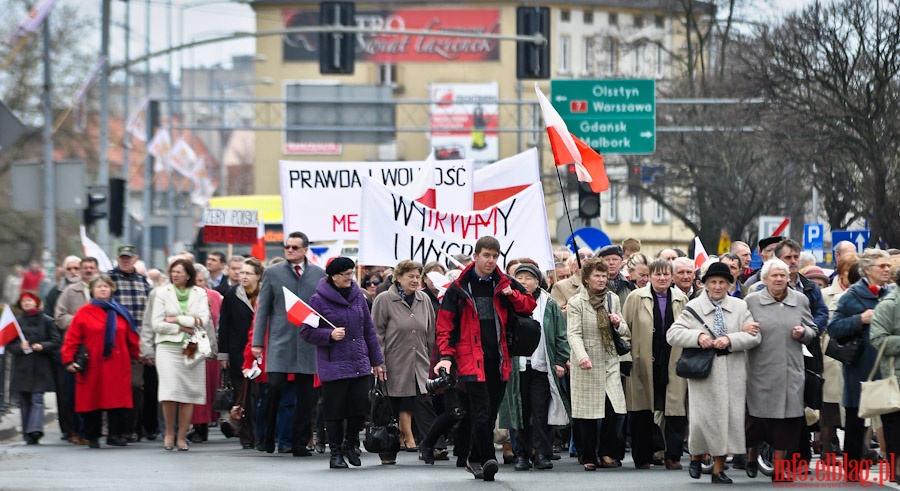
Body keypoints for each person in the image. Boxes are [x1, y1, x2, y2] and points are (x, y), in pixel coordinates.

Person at [434, 236, 537, 482]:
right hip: (470, 358)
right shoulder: (458, 288)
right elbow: (444, 326)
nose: (491, 261)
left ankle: (473, 457)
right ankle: (488, 459)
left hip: (500, 358)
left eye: (494, 256)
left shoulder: (505, 283)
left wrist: (511, 294)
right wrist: (446, 357)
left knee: (489, 413)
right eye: (486, 256)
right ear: (476, 257)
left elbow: (528, 306)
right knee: (481, 411)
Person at [666, 262, 762, 484]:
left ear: (729, 284)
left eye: (722, 282)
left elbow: (755, 336)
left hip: (733, 372)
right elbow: (673, 334)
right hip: (704, 374)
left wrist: (731, 339)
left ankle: (719, 469)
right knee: (701, 421)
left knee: (727, 421)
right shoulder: (693, 307)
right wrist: (698, 337)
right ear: (705, 284)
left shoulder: (740, 307)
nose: (718, 286)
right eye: (713, 282)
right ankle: (696, 457)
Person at [299, 257, 385, 469]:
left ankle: (349, 445)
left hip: (359, 361)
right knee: (335, 412)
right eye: (346, 274)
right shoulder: (317, 300)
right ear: (333, 276)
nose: (350, 277)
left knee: (359, 410)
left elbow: (369, 331)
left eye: (351, 273)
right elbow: (306, 331)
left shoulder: (358, 297)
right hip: (334, 364)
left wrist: (377, 361)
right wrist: (329, 334)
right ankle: (335, 453)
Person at [252, 232, 326, 456]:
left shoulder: (319, 274)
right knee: (274, 389)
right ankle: (266, 438)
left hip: (307, 344)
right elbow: (263, 309)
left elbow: (322, 309)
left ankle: (299, 443)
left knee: (307, 399)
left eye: (295, 247)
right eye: (287, 247)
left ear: (305, 250)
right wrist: (258, 343)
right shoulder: (272, 273)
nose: (290, 250)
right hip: (280, 343)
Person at [745, 259, 818, 481]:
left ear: (788, 278)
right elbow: (739, 326)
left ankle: (778, 469)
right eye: (774, 276)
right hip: (760, 371)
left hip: (790, 371)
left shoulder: (800, 300)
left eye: (782, 275)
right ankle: (751, 456)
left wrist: (803, 332)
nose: (778, 279)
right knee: (757, 422)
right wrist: (746, 328)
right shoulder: (751, 301)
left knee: (786, 425)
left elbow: (813, 329)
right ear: (764, 279)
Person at [827, 249, 893, 478]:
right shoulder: (851, 296)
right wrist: (859, 320)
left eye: (888, 266)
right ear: (867, 270)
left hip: (890, 368)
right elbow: (833, 329)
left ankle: (895, 469)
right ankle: (852, 470)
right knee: (856, 421)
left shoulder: (894, 294)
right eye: (881, 266)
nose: (887, 270)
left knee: (893, 423)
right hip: (861, 368)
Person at [497, 263, 569, 471]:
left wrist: (560, 361)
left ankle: (542, 454)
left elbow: (560, 335)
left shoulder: (549, 303)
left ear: (537, 281)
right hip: (516, 367)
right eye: (519, 278)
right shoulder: (508, 302)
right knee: (519, 411)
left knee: (540, 411)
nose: (524, 281)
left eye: (528, 278)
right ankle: (522, 454)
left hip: (541, 366)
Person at [370, 260, 441, 465]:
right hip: (393, 361)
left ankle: (433, 446)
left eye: (418, 276)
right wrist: (379, 362)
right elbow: (377, 333)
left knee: (424, 402)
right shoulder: (384, 299)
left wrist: (430, 359)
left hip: (419, 360)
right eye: (410, 276)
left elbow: (430, 331)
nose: (415, 280)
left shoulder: (423, 299)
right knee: (390, 408)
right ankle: (387, 450)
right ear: (398, 278)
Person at [621, 258, 689, 470]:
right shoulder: (635, 297)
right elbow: (625, 331)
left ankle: (673, 456)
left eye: (666, 274)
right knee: (642, 412)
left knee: (675, 412)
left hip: (673, 362)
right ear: (649, 276)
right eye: (657, 274)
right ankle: (642, 457)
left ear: (672, 277)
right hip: (643, 363)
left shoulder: (681, 298)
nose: (662, 278)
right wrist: (627, 359)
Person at [61, 274, 141, 448]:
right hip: (93, 364)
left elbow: (132, 338)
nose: (103, 289)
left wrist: (141, 355)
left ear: (112, 288)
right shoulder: (83, 312)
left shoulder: (121, 311)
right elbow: (72, 339)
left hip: (118, 363)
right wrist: (68, 360)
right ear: (92, 290)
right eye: (99, 287)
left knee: (117, 402)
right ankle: (93, 436)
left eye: (106, 286)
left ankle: (115, 435)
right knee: (92, 400)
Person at [565, 258, 627, 471]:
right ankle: (588, 455)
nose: (601, 279)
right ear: (587, 278)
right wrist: (581, 356)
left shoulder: (612, 299)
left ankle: (607, 452)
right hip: (587, 362)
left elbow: (625, 331)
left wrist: (618, 323)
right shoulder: (576, 302)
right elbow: (573, 334)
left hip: (609, 360)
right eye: (596, 276)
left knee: (614, 409)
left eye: (604, 275)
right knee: (587, 413)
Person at [151, 259, 214, 451]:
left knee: (189, 393)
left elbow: (202, 320)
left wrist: (176, 319)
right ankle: (169, 433)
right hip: (167, 348)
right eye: (173, 272)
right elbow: (157, 323)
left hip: (192, 347)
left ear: (188, 275)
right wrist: (183, 327)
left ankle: (182, 436)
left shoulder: (200, 293)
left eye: (179, 272)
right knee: (169, 392)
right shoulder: (162, 292)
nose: (175, 275)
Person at [108, 244, 153, 443]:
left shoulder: (144, 282)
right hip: (115, 342)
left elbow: (150, 314)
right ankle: (116, 430)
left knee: (135, 386)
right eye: (122, 257)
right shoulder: (109, 279)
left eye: (129, 257)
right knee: (115, 387)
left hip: (137, 342)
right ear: (118, 259)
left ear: (135, 259)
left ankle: (132, 427)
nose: (125, 260)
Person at [53, 256, 99, 445]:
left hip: (97, 348)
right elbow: (59, 317)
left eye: (92, 268)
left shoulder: (104, 290)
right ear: (80, 270)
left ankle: (92, 430)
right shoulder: (70, 291)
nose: (88, 271)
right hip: (76, 348)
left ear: (97, 269)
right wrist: (81, 321)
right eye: (85, 268)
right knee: (72, 392)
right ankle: (75, 431)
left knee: (94, 391)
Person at [218, 257, 263, 448]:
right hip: (238, 353)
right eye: (241, 272)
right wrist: (224, 355)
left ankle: (262, 433)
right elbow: (225, 326)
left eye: (247, 273)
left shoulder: (266, 294)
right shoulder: (231, 295)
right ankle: (246, 435)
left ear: (258, 276)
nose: (242, 276)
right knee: (243, 396)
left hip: (262, 351)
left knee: (259, 395)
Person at [818, 253, 858, 460]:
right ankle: (827, 447)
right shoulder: (826, 294)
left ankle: (859, 447)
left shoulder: (861, 293)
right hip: (832, 356)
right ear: (842, 272)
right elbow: (821, 323)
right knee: (830, 407)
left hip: (855, 354)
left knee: (856, 406)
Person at [7, 292, 60, 444]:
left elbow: (56, 342)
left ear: (36, 302)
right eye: (23, 301)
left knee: (37, 398)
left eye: (29, 300)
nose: (26, 303)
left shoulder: (47, 321)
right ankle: (27, 434)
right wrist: (20, 347)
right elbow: (10, 345)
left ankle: (35, 429)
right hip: (22, 367)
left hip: (40, 366)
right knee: (25, 400)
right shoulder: (16, 323)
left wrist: (42, 346)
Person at [869, 266, 900, 481]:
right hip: (895, 378)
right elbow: (878, 339)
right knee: (896, 427)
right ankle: (895, 469)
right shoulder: (889, 305)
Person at [186, 263, 223, 444]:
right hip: (191, 348)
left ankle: (203, 426)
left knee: (207, 390)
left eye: (201, 280)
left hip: (211, 348)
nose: (198, 284)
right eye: (195, 281)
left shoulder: (216, 297)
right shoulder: (186, 298)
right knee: (192, 388)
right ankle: (194, 425)